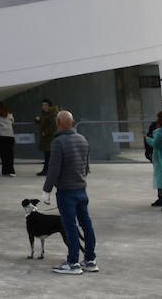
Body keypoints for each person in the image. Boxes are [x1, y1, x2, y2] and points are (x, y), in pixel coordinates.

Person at [44, 110, 97, 275]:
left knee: (70, 226)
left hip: (66, 191)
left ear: (58, 123)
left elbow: (54, 170)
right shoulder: (82, 139)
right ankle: (90, 260)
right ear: (72, 122)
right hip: (81, 189)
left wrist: (47, 190)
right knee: (86, 224)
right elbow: (86, 166)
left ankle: (73, 262)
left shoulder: (58, 142)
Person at [36, 98, 59, 176]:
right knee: (47, 155)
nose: (44, 107)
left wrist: (45, 132)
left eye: (45, 105)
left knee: (49, 156)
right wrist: (38, 120)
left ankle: (47, 171)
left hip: (50, 138)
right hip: (46, 139)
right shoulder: (44, 114)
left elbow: (54, 126)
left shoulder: (52, 114)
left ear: (50, 106)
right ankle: (47, 170)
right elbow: (44, 122)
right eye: (43, 105)